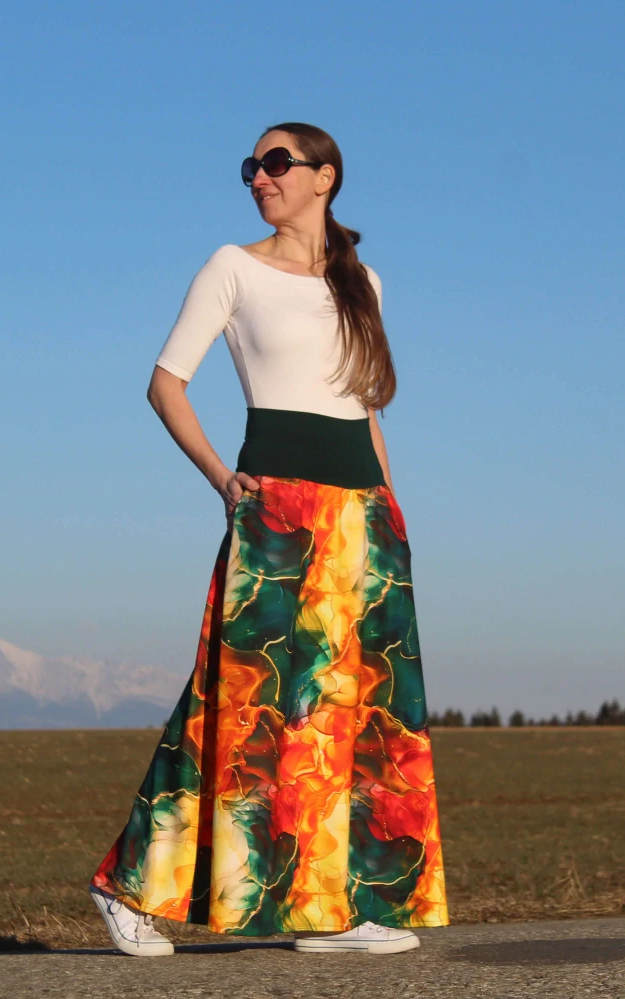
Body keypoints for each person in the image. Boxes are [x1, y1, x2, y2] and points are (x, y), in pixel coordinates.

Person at [89, 122, 449, 957]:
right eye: (252, 166)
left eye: (277, 163)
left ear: (325, 177)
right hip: (277, 509)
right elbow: (165, 384)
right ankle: (124, 884)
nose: (260, 176)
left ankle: (325, 909)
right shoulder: (232, 267)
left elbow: (364, 406)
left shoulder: (363, 281)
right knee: (245, 704)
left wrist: (390, 509)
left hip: (361, 515)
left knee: (349, 713)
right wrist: (223, 478)